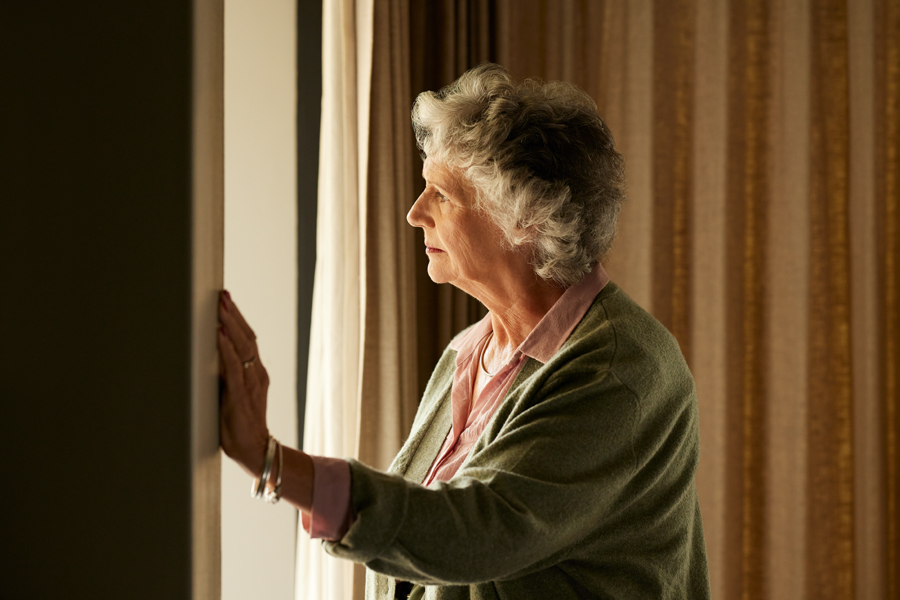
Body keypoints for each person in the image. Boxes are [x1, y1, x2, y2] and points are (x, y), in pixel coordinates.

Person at [218, 63, 710, 599]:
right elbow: (410, 555)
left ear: (526, 218)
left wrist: (270, 462)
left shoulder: (622, 370)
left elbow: (474, 532)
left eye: (442, 195)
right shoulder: (468, 352)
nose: (414, 213)